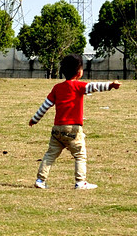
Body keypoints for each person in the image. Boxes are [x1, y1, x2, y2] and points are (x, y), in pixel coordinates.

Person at [28, 54, 121, 190]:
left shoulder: (57, 88)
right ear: (79, 72)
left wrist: (34, 119)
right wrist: (111, 85)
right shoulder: (78, 86)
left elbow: (45, 106)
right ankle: (80, 181)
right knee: (80, 155)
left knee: (50, 155)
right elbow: (94, 86)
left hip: (57, 129)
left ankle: (40, 180)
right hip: (73, 130)